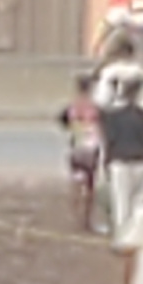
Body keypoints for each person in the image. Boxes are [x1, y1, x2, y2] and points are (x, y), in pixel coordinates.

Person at [100, 73, 143, 244]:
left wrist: (106, 162)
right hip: (140, 161)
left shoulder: (112, 117)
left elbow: (109, 141)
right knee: (139, 202)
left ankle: (121, 240)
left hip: (120, 161)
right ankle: (137, 238)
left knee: (121, 202)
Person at [58, 73, 103, 233]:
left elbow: (64, 123)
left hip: (77, 147)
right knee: (90, 185)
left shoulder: (72, 107)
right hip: (92, 148)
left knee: (76, 183)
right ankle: (86, 219)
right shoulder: (96, 108)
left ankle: (75, 217)